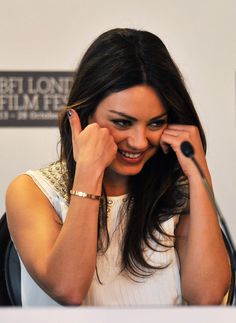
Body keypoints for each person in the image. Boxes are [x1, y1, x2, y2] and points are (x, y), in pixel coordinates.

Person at [6, 28, 230, 306]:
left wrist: (198, 174)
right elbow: (68, 289)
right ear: (84, 116)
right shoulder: (32, 191)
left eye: (156, 123)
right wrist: (88, 172)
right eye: (123, 123)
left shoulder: (175, 193)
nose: (138, 142)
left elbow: (207, 298)